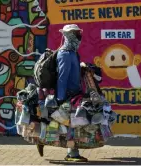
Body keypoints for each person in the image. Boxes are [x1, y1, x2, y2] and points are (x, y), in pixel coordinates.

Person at [56, 24, 88, 162]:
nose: (78, 36)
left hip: (76, 93)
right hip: (68, 95)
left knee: (74, 124)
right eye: (75, 33)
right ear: (69, 36)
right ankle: (72, 154)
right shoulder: (65, 54)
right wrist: (61, 98)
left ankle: (73, 152)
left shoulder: (73, 53)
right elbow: (62, 77)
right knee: (72, 125)